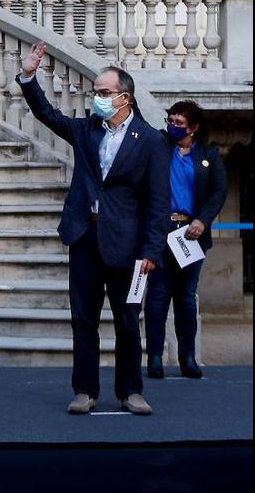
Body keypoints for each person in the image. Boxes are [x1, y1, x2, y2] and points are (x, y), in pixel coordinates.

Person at [18, 42, 168, 416]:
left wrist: (151, 250)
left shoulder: (150, 140)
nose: (96, 98)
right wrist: (29, 77)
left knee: (127, 321)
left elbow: (158, 202)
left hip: (127, 245)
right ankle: (84, 390)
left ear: (125, 98)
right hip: (85, 237)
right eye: (95, 92)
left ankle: (130, 391)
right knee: (83, 320)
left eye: (103, 92)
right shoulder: (87, 129)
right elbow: (48, 115)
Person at [145, 100, 228, 380]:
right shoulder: (159, 146)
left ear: (193, 128)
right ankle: (155, 357)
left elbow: (219, 191)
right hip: (161, 231)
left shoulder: (208, 155)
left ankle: (188, 357)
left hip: (191, 233)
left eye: (180, 123)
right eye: (171, 120)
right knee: (157, 295)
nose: (173, 126)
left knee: (186, 297)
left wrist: (202, 220)